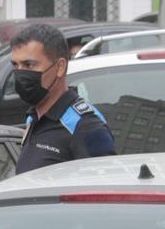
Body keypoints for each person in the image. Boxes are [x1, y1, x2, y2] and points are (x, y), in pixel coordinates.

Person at [10, 24, 116, 175]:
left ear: (59, 67)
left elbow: (104, 189)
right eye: (15, 65)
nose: (20, 74)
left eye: (29, 65)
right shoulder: (33, 117)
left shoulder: (86, 126)